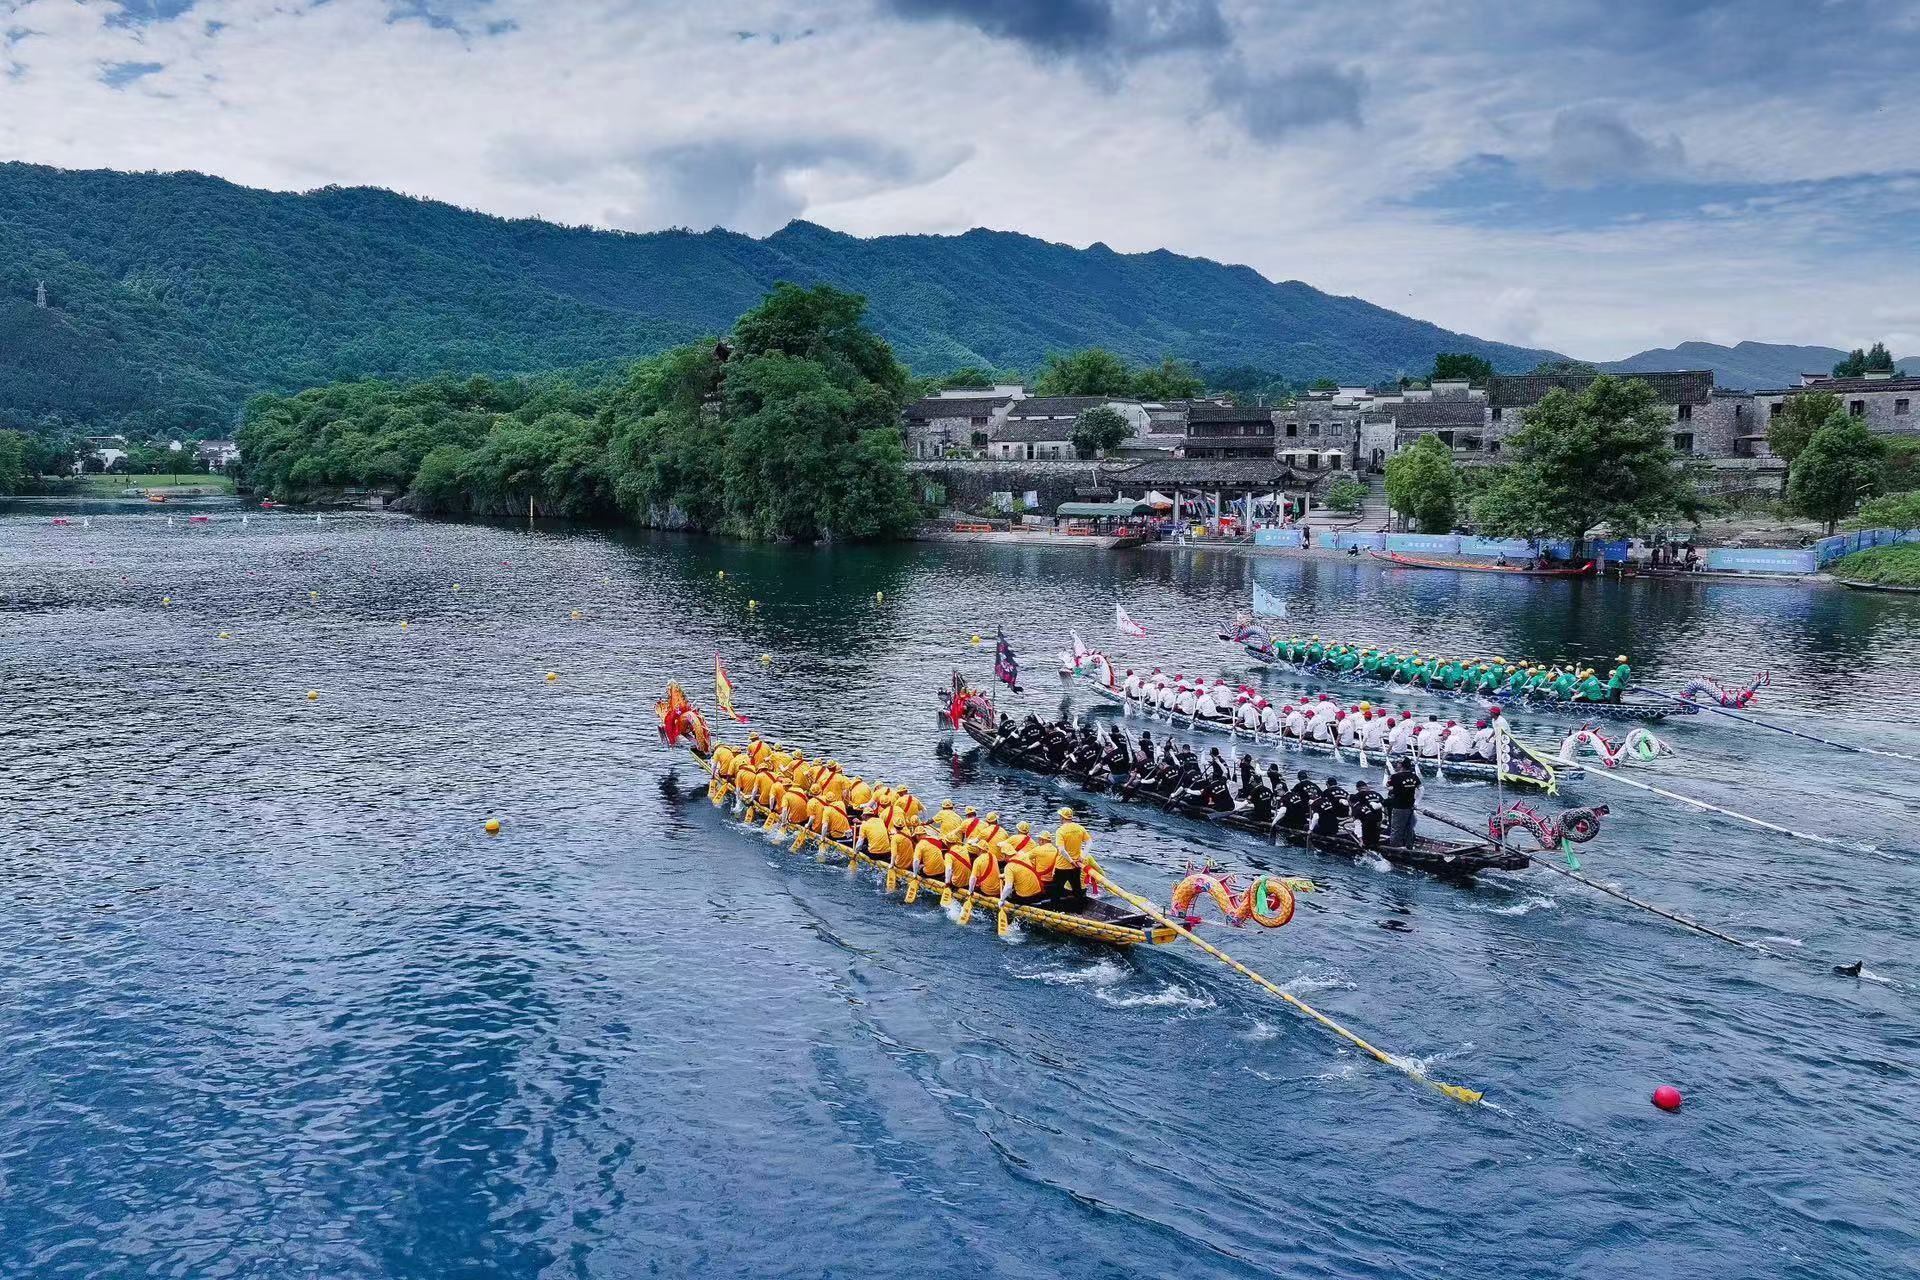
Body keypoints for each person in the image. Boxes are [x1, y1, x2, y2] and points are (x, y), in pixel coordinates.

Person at [1385, 758, 1421, 848]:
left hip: (1399, 806)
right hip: (1410, 806)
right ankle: (1409, 845)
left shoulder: (1396, 776)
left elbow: (1386, 786)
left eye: (1398, 763)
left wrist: (1394, 787)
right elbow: (1421, 789)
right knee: (1409, 828)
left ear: (1401, 765)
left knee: (1396, 828)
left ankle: (1395, 848)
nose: (1397, 764)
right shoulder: (1414, 776)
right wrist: (1416, 802)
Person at [1350, 779, 1386, 849]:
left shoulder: (1358, 795)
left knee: (1367, 834)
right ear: (1366, 786)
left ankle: (1366, 844)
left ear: (1358, 788)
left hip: (1368, 818)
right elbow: (1384, 804)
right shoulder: (1377, 794)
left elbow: (1355, 807)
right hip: (1379, 817)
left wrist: (1353, 816)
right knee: (1376, 832)